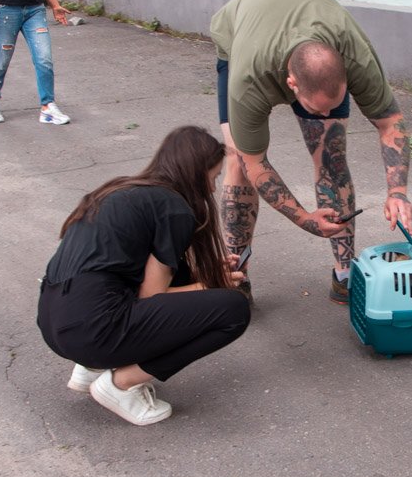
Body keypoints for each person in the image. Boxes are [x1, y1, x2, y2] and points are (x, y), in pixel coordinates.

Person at [210, 0, 412, 304]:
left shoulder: (353, 53)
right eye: (319, 108)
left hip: (315, 31)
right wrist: (305, 219)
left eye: (336, 103)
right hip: (241, 36)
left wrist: (398, 193)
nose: (327, 114)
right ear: (290, 85)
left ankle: (345, 275)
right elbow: (255, 163)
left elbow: (390, 122)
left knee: (331, 155)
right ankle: (237, 275)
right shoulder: (250, 79)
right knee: (237, 157)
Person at [37, 126, 251, 426]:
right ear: (194, 172)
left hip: (55, 321)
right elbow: (152, 297)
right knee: (233, 309)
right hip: (92, 330)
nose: (213, 189)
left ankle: (91, 367)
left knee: (180, 272)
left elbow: (127, 269)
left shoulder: (122, 191)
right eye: (213, 178)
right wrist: (212, 284)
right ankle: (121, 384)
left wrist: (204, 273)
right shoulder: (175, 209)